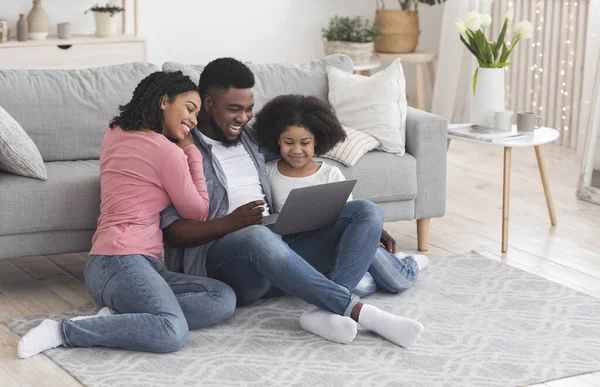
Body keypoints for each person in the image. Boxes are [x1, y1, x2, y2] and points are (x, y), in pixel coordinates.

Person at [160, 58, 424, 347]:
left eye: (249, 109)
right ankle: (360, 311)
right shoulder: (181, 149)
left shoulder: (251, 139)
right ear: (208, 103)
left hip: (277, 252)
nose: (243, 118)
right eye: (234, 109)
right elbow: (173, 232)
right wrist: (229, 224)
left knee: (367, 212)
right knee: (257, 235)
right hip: (226, 264)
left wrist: (358, 226)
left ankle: (326, 313)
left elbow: (298, 148)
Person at [17, 71, 236, 359]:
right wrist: (191, 153)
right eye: (190, 109)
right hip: (119, 261)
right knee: (172, 331)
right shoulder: (167, 153)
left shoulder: (115, 130)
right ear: (164, 101)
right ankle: (63, 332)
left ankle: (122, 315)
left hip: (134, 266)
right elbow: (197, 211)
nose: (194, 121)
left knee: (223, 298)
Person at [252, 94, 430, 299]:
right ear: (277, 140)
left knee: (398, 281)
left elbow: (354, 223)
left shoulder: (330, 174)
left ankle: (410, 264)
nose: (297, 150)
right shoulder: (268, 172)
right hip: (300, 249)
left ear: (316, 141)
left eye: (305, 142)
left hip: (340, 244)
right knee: (360, 287)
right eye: (289, 142)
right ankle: (348, 287)